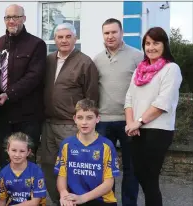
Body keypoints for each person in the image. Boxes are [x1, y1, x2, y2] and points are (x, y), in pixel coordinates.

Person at [41, 22, 99, 205]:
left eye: (68, 36)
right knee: (49, 167)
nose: (64, 40)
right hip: (48, 124)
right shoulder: (48, 60)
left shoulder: (85, 62)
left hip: (70, 125)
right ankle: (59, 202)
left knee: (73, 169)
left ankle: (76, 202)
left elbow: (92, 98)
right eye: (60, 37)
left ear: (75, 38)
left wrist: (85, 125)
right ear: (54, 39)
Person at [124, 27, 182, 206]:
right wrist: (130, 123)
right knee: (140, 174)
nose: (151, 47)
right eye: (147, 43)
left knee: (150, 178)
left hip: (158, 130)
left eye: (156, 43)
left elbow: (162, 103)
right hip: (137, 130)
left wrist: (138, 122)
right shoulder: (140, 70)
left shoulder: (171, 69)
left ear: (164, 45)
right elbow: (129, 99)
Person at [0, 4, 46, 169]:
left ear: (24, 19)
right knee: (4, 160)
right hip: (4, 115)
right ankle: (4, 194)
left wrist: (8, 94)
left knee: (26, 162)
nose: (12, 21)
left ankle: (28, 195)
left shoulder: (37, 44)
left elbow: (34, 77)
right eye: (8, 17)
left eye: (16, 17)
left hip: (28, 116)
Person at [93, 18, 143, 206]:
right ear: (103, 35)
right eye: (106, 33)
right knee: (105, 169)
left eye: (114, 32)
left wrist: (138, 120)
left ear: (121, 33)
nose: (110, 36)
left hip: (128, 122)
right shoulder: (97, 59)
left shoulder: (137, 57)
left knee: (131, 168)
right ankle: (108, 202)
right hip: (104, 121)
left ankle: (129, 203)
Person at [55, 99, 120, 206]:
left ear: (98, 119)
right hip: (74, 198)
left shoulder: (106, 146)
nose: (84, 122)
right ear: (75, 119)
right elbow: (62, 175)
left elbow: (109, 183)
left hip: (101, 200)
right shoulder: (67, 144)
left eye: (89, 118)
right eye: (80, 118)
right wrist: (63, 193)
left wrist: (83, 198)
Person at [0, 132, 47, 206]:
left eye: (22, 151)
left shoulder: (36, 172)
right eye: (14, 150)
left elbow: (35, 202)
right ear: (8, 150)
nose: (17, 155)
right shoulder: (3, 173)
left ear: (28, 152)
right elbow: (1, 200)